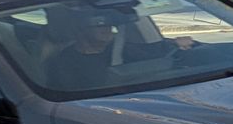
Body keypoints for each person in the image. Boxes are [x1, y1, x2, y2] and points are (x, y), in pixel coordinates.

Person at [45, 8, 194, 91]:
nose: (107, 28)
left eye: (110, 23)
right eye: (99, 23)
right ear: (81, 29)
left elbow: (150, 54)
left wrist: (175, 44)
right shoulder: (66, 62)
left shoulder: (120, 48)